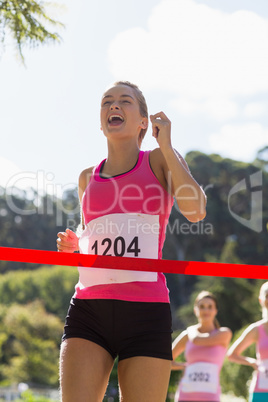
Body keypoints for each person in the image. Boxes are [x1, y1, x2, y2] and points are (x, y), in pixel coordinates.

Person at [56, 81, 207, 402]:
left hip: (146, 313)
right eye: (107, 101)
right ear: (100, 122)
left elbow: (196, 211)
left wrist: (166, 145)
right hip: (88, 310)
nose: (114, 105)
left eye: (125, 101)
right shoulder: (87, 177)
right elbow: (92, 243)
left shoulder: (158, 160)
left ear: (143, 120)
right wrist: (74, 248)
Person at [172, 291, 232, 402]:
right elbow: (166, 360)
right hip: (185, 395)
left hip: (210, 396)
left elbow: (197, 340)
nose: (206, 310)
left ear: (215, 311)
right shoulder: (187, 335)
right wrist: (185, 366)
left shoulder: (224, 334)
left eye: (210, 307)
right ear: (195, 310)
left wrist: (191, 330)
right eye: (202, 306)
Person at [227, 281, 268, 402]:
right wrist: (252, 362)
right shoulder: (256, 329)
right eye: (267, 295)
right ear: (261, 300)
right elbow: (232, 354)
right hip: (261, 391)